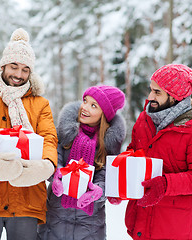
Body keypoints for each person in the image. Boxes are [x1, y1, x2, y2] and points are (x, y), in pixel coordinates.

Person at [0, 28, 58, 240]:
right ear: (3, 65)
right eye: (14, 67)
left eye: (25, 70)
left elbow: (49, 138)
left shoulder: (40, 104)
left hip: (27, 195)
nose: (18, 75)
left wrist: (46, 165)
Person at [124, 64, 192, 240]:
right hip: (141, 220)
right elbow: (134, 151)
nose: (150, 96)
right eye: (151, 90)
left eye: (157, 92)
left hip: (173, 227)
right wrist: (121, 183)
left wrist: (165, 184)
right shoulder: (144, 119)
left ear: (175, 96)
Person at [37, 85, 126, 239]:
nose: (84, 107)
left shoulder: (109, 143)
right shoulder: (65, 131)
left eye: (93, 106)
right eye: (85, 101)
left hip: (89, 223)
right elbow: (52, 155)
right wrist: (55, 173)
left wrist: (99, 190)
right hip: (56, 216)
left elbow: (107, 175)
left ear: (104, 114)